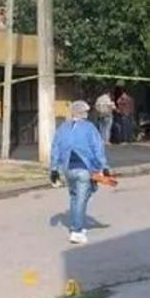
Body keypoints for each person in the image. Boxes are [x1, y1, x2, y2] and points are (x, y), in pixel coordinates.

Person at [50, 100, 111, 245]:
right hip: (84, 168)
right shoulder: (89, 128)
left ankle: (78, 225)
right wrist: (104, 166)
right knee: (82, 198)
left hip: (67, 169)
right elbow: (97, 148)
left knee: (74, 196)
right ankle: (76, 231)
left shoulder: (63, 128)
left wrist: (54, 169)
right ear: (84, 113)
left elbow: (55, 148)